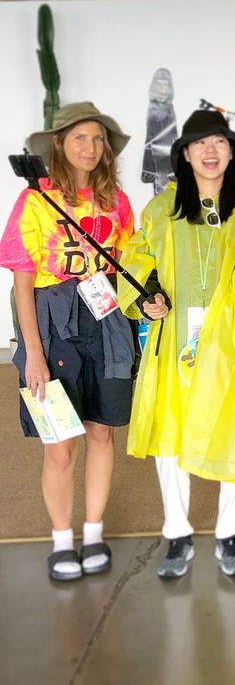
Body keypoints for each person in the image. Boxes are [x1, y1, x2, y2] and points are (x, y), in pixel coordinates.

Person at [119, 110, 235, 578]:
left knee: (233, 432)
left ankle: (228, 533)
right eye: (200, 143)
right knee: (170, 438)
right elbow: (137, 262)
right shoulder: (160, 209)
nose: (210, 151)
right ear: (184, 154)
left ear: (232, 152)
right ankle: (177, 533)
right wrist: (147, 297)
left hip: (234, 341)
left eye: (219, 142)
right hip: (175, 335)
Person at [0, 102, 136, 581]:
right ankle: (62, 538)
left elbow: (126, 266)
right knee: (59, 443)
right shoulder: (34, 201)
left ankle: (93, 531)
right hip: (53, 322)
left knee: (102, 430)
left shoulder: (116, 201)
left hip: (106, 321)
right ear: (58, 143)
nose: (91, 148)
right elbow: (21, 282)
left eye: (98, 139)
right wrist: (31, 353)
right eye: (80, 138)